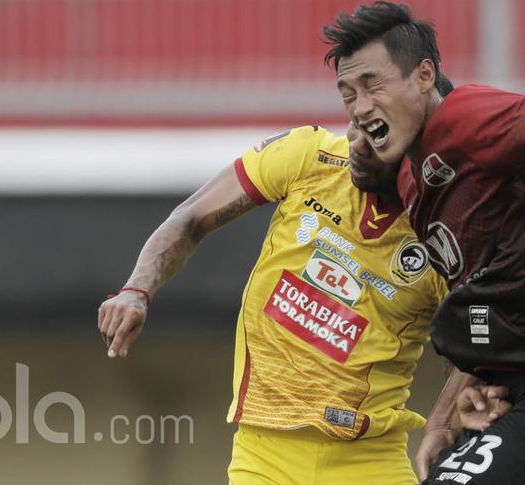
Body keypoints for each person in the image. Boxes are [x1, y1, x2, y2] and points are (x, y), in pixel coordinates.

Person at [323, 1, 525, 484]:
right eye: (348, 93)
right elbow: (484, 294)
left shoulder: (461, 117)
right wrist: (450, 411)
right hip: (509, 396)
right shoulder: (413, 181)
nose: (361, 107)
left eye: (372, 84)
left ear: (423, 75)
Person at [99, 118, 472, 484]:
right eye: (355, 122)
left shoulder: (446, 234)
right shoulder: (311, 155)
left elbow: (473, 353)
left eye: (376, 134)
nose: (356, 140)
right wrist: (136, 290)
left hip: (373, 458)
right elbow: (191, 216)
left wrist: (441, 422)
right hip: (264, 456)